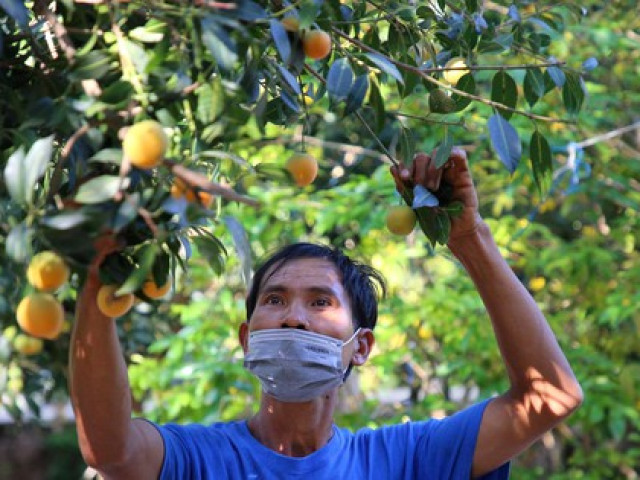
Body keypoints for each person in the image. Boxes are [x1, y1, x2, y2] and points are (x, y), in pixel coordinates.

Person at [70, 147, 583, 479]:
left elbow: (551, 398)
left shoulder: (408, 461)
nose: (294, 317)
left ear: (361, 345)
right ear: (247, 338)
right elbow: (109, 450)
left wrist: (471, 240)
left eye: (321, 301)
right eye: (275, 300)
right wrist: (101, 277)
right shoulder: (196, 459)